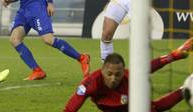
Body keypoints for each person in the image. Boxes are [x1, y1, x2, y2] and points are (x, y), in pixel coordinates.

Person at [64, 38, 193, 112]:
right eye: (109, 74)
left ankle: (186, 89)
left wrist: (174, 56)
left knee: (155, 108)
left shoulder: (128, 77)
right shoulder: (90, 83)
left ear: (123, 72)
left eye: (117, 74)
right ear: (102, 70)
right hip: (111, 106)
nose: (113, 78)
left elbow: (151, 66)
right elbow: (70, 109)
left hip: (128, 105)